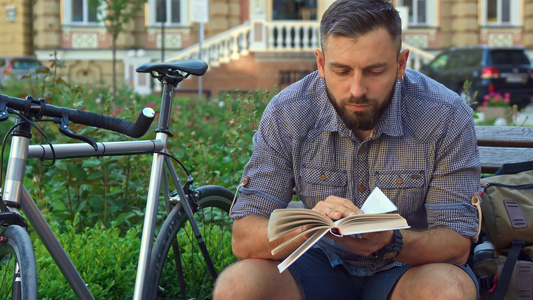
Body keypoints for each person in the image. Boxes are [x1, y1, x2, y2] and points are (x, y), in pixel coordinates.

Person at [213, 0, 481, 299]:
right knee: (239, 285)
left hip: (408, 267)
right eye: (341, 70)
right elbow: (244, 239)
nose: (357, 89)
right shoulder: (289, 112)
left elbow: (456, 244)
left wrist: (391, 242)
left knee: (447, 288)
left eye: (375, 71)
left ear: (401, 63)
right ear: (320, 63)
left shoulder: (445, 114)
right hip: (316, 263)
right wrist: (309, 226)